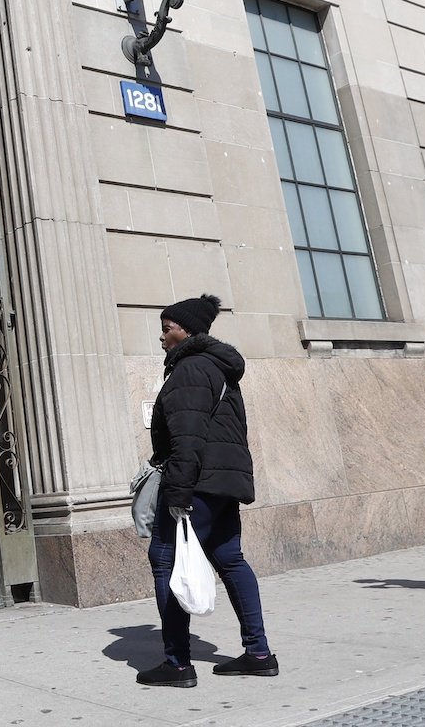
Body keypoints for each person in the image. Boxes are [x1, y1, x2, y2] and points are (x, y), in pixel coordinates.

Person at [138, 293, 273, 688]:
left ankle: (177, 664)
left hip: (196, 484)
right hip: (222, 482)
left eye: (167, 329)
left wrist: (178, 495)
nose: (162, 337)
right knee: (230, 558)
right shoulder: (218, 368)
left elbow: (187, 438)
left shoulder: (191, 370)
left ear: (187, 331)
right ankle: (259, 653)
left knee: (164, 558)